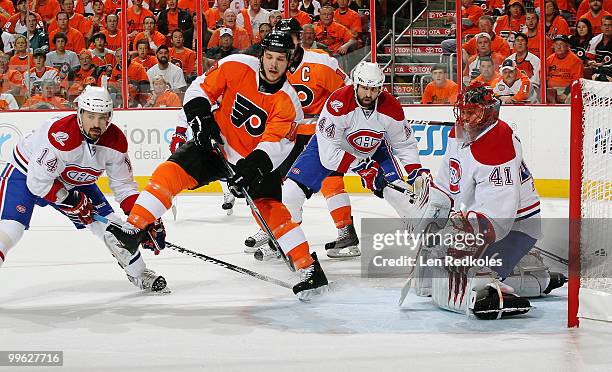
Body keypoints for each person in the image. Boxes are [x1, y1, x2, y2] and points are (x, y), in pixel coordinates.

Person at [107, 31, 330, 300]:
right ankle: (134, 229)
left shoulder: (289, 103)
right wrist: (202, 118)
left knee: (271, 211)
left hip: (254, 161)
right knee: (170, 172)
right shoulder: (235, 65)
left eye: (280, 59)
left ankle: (309, 268)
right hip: (216, 145)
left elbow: (275, 144)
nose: (273, 64)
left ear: (288, 62)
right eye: (269, 57)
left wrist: (250, 170)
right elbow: (200, 88)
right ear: (261, 55)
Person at [409, 82, 564, 319]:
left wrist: (462, 232)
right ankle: (527, 272)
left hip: (516, 226)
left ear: (489, 113)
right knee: (435, 259)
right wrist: (433, 219)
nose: (466, 119)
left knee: (468, 267)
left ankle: (528, 278)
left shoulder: (498, 144)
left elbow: (499, 218)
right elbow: (446, 185)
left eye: (473, 112)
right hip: (486, 218)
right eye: (463, 111)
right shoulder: (458, 133)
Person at [0, 86, 168, 292]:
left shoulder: (115, 142)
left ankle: (140, 273)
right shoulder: (60, 136)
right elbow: (37, 183)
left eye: (102, 117)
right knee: (11, 227)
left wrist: (144, 219)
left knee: (114, 230)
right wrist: (71, 200)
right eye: (90, 116)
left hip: (74, 180)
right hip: (26, 172)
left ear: (110, 116)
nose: (96, 124)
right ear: (79, 113)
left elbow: (124, 187)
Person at [281, 62, 426, 259]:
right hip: (331, 147)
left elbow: (404, 144)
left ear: (380, 88)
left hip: (374, 148)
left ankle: (426, 243)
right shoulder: (338, 103)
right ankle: (288, 245)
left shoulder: (391, 107)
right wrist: (362, 166)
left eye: (373, 89)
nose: (368, 94)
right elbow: (329, 156)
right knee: (290, 192)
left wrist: (416, 172)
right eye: (364, 87)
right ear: (355, 85)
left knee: (397, 191)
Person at [245, 19, 353, 259]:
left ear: (298, 38)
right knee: (272, 181)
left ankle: (346, 232)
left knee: (331, 180)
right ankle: (275, 230)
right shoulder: (271, 66)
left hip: (321, 133)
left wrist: (338, 119)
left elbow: (349, 91)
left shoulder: (321, 62)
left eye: (289, 39)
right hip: (288, 135)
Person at [546, 34, 583, 103]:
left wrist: (565, 93)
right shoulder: (549, 59)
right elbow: (543, 77)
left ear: (567, 46)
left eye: (561, 44)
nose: (558, 47)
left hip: (567, 90)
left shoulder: (576, 61)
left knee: (571, 98)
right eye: (556, 44)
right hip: (550, 90)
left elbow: (576, 81)